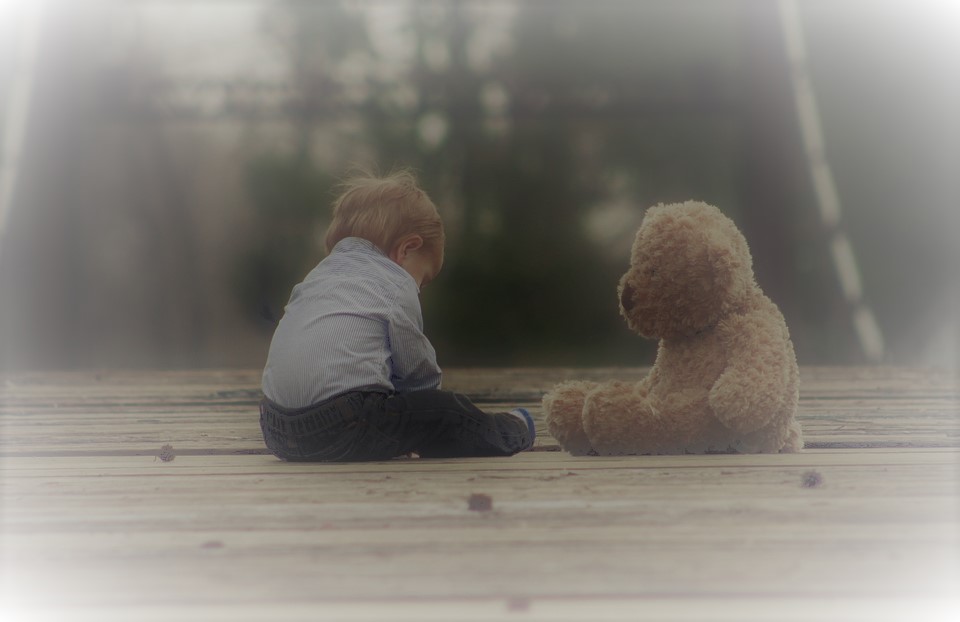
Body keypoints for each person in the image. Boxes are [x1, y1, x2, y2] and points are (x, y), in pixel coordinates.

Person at [259, 169, 535, 461]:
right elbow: (417, 371)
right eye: (422, 280)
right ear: (406, 249)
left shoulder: (315, 278)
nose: (418, 290)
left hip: (276, 430)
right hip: (345, 425)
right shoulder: (395, 281)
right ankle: (513, 430)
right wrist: (426, 409)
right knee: (449, 412)